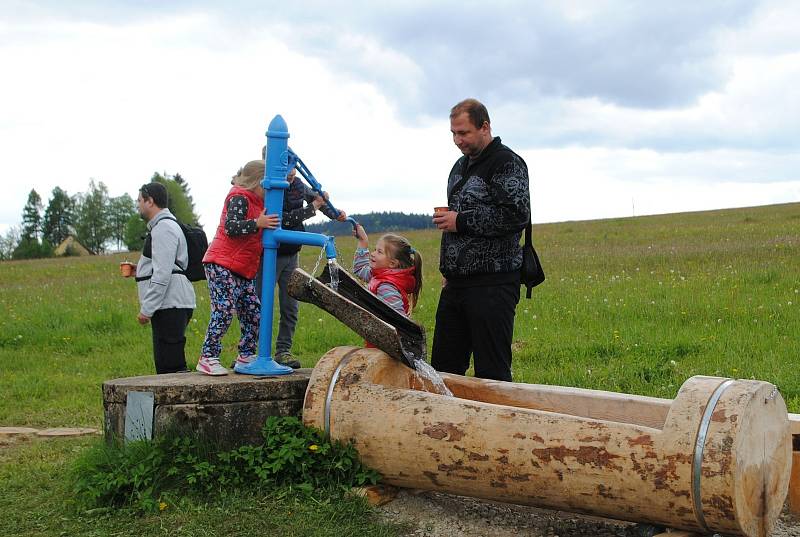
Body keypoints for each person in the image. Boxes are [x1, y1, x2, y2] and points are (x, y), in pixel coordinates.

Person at [431, 98, 530, 382]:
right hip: (457, 285)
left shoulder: (506, 163)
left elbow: (515, 215)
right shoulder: (459, 168)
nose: (457, 140)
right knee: (443, 370)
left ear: (484, 127)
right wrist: (449, 270)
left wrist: (459, 220)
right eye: (453, 133)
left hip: (493, 284)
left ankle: (499, 425)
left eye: (463, 133)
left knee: (492, 372)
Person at [254, 166, 346, 369]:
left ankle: (283, 351)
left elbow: (318, 200)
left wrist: (334, 213)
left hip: (291, 254)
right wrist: (313, 207)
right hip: (266, 255)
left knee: (290, 306)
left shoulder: (297, 185)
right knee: (258, 305)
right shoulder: (266, 187)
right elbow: (282, 220)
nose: (291, 174)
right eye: (287, 169)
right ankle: (251, 352)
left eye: (293, 169)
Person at [197, 160, 279, 376]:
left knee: (254, 312)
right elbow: (232, 227)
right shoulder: (239, 197)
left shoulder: (261, 204)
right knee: (224, 309)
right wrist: (257, 224)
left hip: (243, 268)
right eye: (266, 187)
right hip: (221, 262)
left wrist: (313, 208)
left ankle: (246, 354)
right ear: (257, 182)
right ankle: (208, 356)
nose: (268, 192)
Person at [132, 182, 196, 374]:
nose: (138, 205)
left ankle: (179, 404)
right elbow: (165, 265)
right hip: (172, 302)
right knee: (169, 363)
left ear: (150, 201)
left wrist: (147, 309)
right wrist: (141, 270)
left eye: (139, 201)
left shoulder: (163, 228)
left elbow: (162, 274)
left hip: (170, 304)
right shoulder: (165, 226)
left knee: (171, 368)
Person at [352, 223, 422, 317]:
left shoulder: (387, 287)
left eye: (379, 252)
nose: (373, 254)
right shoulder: (379, 275)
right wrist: (363, 240)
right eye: (375, 249)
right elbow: (360, 269)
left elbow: (398, 320)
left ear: (392, 263)